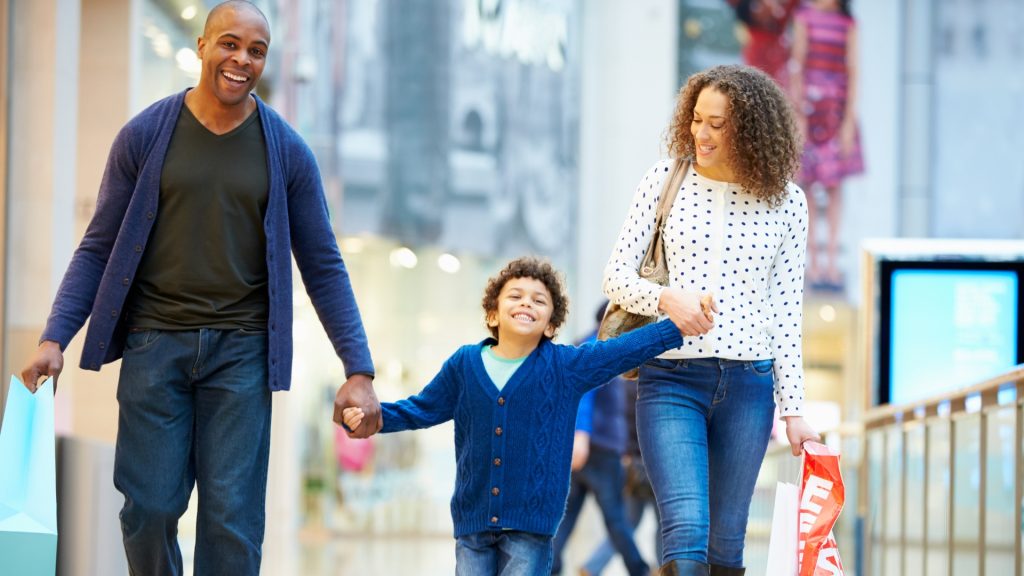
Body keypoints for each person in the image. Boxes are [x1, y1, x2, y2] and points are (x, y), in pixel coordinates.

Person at [18, 2, 380, 574]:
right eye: (230, 44)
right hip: (153, 348)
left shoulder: (287, 152)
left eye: (256, 51)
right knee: (149, 510)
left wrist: (358, 369)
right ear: (202, 47)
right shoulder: (145, 135)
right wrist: (54, 336)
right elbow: (97, 246)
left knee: (232, 521)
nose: (242, 60)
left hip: (242, 355)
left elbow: (324, 264)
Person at [602, 64, 820, 576]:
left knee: (726, 544)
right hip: (671, 379)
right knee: (686, 531)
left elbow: (787, 313)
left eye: (717, 124)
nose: (701, 133)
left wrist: (794, 410)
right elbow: (615, 277)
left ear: (749, 128)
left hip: (750, 385)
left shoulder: (789, 202)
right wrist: (665, 300)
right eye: (697, 119)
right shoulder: (665, 178)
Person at [342, 256, 686, 576]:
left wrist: (677, 325)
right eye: (516, 296)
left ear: (551, 325)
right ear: (493, 314)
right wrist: (374, 417)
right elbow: (422, 407)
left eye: (539, 301)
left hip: (531, 529)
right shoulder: (464, 365)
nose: (526, 303)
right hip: (473, 523)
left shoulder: (565, 367)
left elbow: (622, 350)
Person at [549, 303, 649, 576]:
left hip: (588, 447)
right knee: (617, 518)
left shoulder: (587, 345)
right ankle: (639, 570)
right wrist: (580, 435)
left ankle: (549, 566)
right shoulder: (595, 347)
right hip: (597, 448)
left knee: (567, 516)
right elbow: (584, 394)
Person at [789, 0, 864, 289]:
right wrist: (798, 113)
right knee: (806, 185)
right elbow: (797, 65)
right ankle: (813, 261)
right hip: (809, 110)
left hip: (836, 110)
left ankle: (832, 260)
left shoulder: (848, 25)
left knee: (834, 186)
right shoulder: (804, 17)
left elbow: (853, 72)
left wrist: (848, 121)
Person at [579, 377, 662, 576]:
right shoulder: (653, 388)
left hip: (633, 464)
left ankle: (591, 567)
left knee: (627, 522)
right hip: (651, 465)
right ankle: (661, 568)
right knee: (663, 524)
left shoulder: (627, 386)